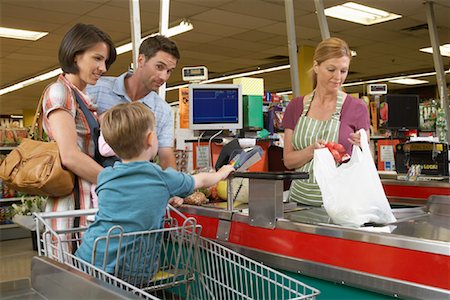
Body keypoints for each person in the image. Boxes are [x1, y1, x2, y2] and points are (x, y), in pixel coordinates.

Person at [75, 102, 235, 275]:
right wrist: (222, 173)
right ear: (151, 138)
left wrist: (161, 197)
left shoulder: (105, 176)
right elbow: (202, 180)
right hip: (130, 269)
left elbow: (130, 201)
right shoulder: (160, 177)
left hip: (90, 256)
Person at [42, 23, 116, 229]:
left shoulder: (83, 100)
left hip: (87, 205)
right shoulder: (60, 92)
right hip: (71, 211)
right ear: (75, 55)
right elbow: (70, 156)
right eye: (97, 58)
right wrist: (118, 183)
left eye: (105, 61)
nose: (104, 68)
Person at [282, 37, 370, 207]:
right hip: (299, 203)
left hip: (340, 204)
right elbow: (288, 160)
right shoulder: (296, 106)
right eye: (331, 69)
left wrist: (362, 146)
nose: (337, 77)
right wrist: (311, 151)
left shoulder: (357, 108)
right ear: (316, 66)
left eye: (343, 71)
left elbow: (365, 162)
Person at [87, 35, 179, 171]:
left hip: (135, 187)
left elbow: (166, 157)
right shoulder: (95, 90)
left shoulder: (163, 111)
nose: (163, 77)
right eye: (159, 67)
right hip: (90, 182)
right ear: (141, 60)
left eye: (169, 71)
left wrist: (177, 187)